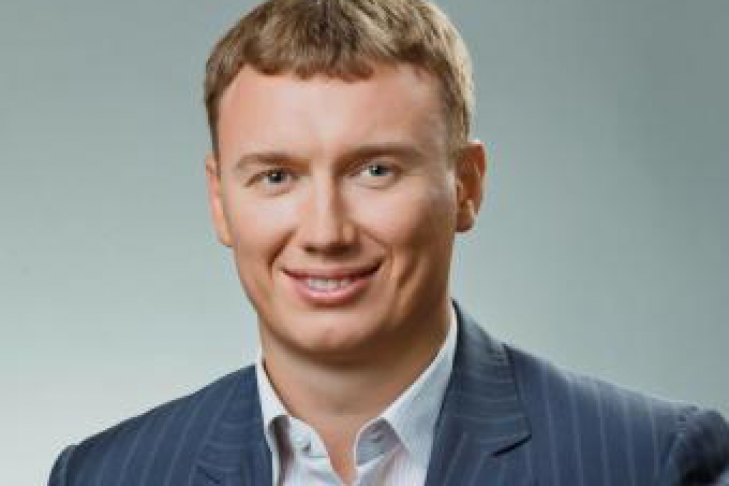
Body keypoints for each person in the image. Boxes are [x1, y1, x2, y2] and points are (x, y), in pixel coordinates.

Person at [49, 0, 729, 484]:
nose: (325, 233)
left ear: (466, 185)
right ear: (219, 201)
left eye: (374, 170)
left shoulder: (648, 462)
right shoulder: (104, 475)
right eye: (276, 176)